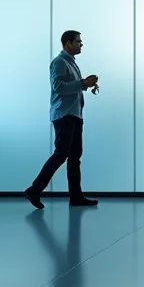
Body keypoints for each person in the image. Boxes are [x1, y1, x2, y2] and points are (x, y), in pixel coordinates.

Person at [25, 30, 99, 209]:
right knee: (61, 154)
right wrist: (82, 84)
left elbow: (70, 87)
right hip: (64, 116)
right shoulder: (59, 62)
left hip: (74, 115)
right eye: (78, 41)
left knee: (74, 158)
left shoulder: (71, 63)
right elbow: (58, 87)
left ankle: (76, 197)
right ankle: (34, 190)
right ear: (67, 43)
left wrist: (86, 84)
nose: (81, 44)